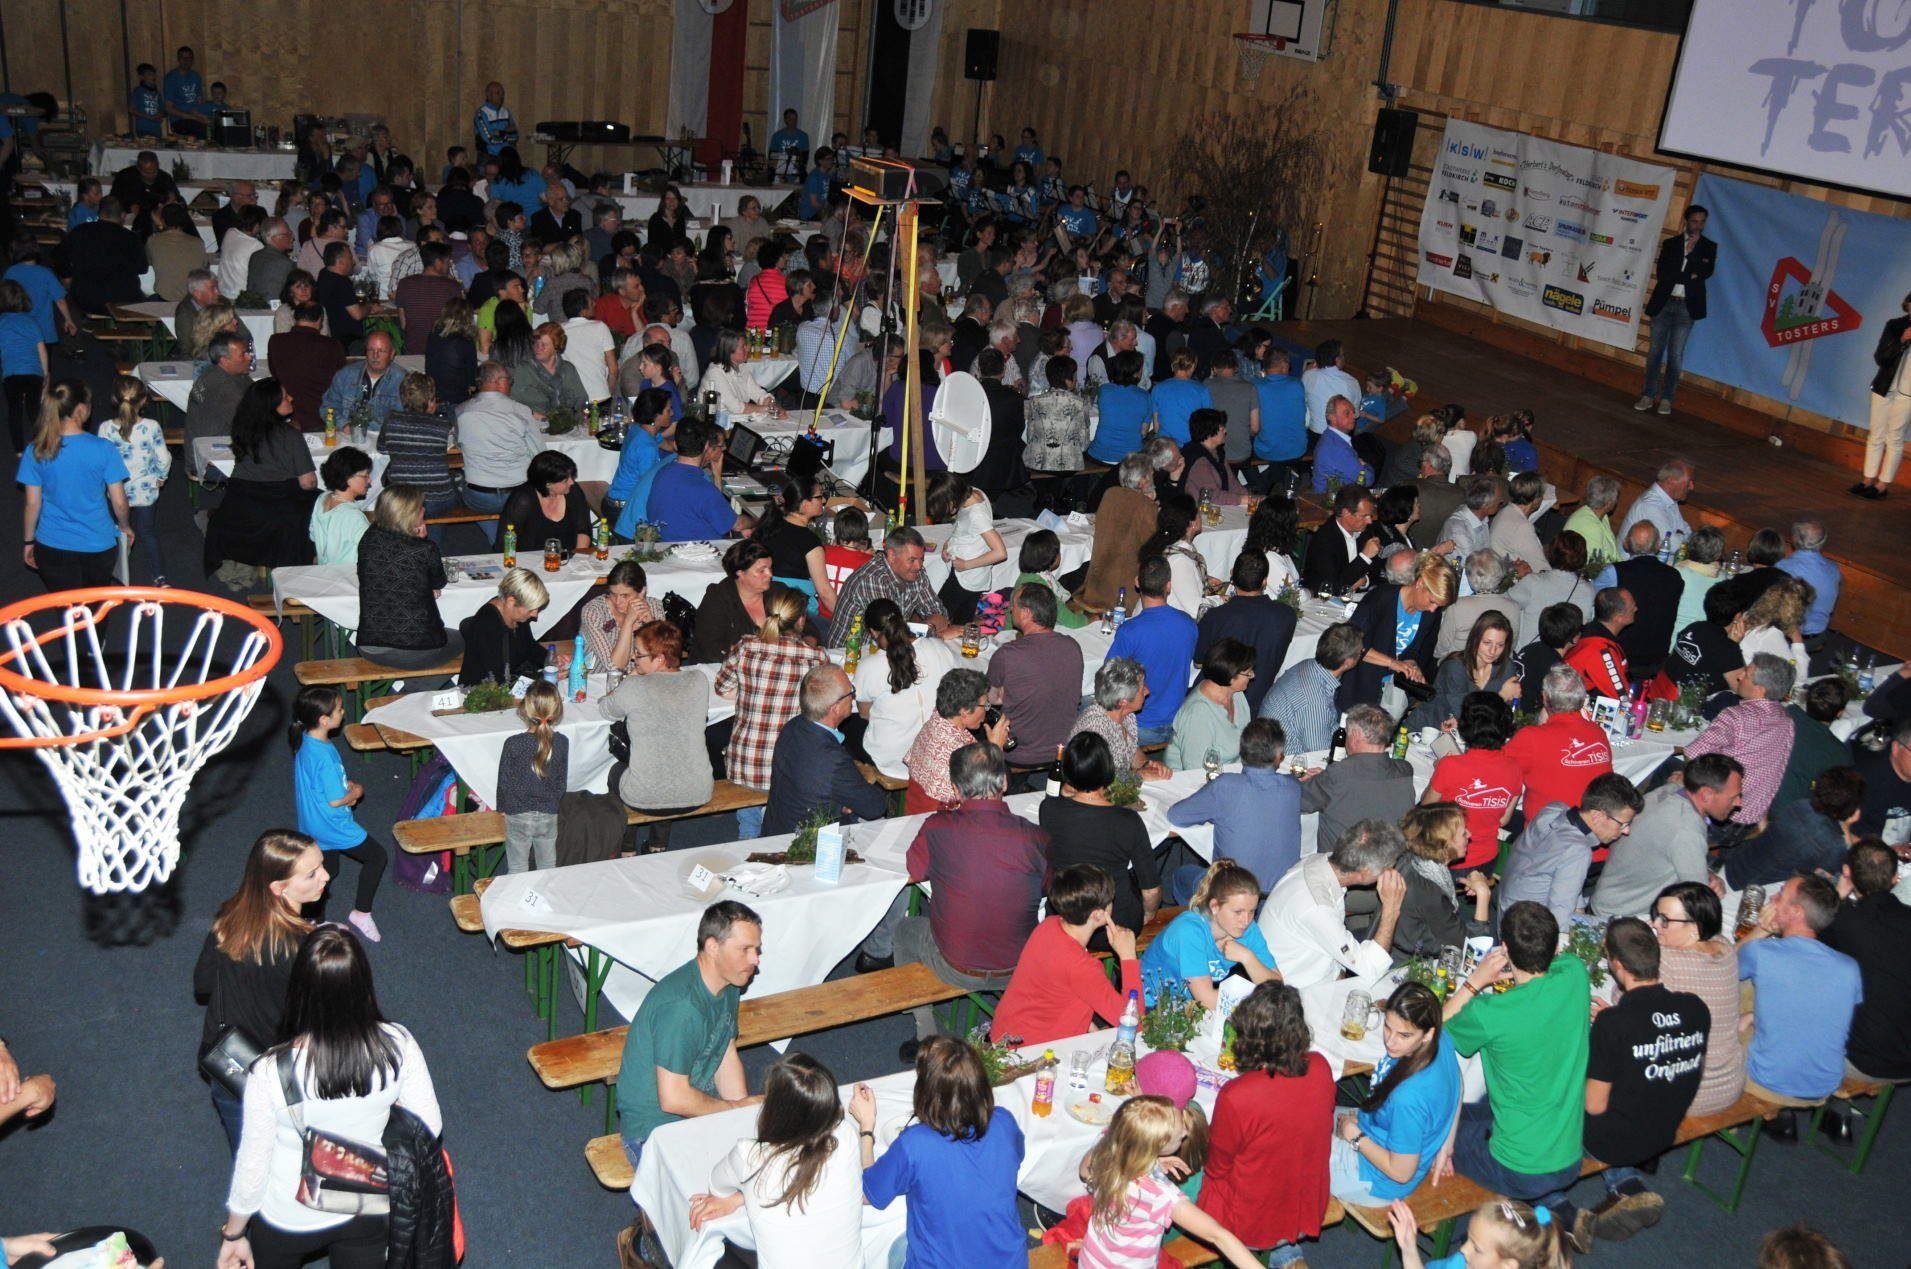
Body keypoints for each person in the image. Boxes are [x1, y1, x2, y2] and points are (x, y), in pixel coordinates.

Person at [216, 926, 439, 1269]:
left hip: (288, 1218)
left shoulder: (271, 1072)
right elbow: (429, 1126)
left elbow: (253, 1166)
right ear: (363, 984)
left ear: (299, 989)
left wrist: (233, 1234)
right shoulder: (397, 1045)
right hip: (366, 1205)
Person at [1561, 917, 1710, 1251]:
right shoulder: (1695, 1008)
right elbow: (1659, 1046)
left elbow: (1593, 1106)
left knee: (1546, 1092)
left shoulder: (1615, 1024)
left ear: (1616, 964)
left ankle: (1561, 1210)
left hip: (1608, 1141)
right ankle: (1627, 1184)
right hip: (1663, 1132)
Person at [1440, 900, 1590, 1203]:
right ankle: (1560, 1209)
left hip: (1514, 1167)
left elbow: (1434, 1030)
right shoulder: (1575, 974)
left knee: (1429, 1125)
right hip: (1570, 1155)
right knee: (1469, 1114)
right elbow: (1558, 962)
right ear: (1554, 945)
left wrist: (1476, 981)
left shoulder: (1490, 1013)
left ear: (1504, 948)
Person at [195, 831, 323, 1152]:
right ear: (279, 888)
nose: (325, 876)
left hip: (229, 1058)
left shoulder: (228, 919)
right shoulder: (306, 946)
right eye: (312, 874)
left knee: (248, 1154)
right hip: (279, 1068)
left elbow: (203, 984)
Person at [614, 901, 762, 1170]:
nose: (755, 960)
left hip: (698, 1113)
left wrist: (742, 1117)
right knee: (720, 1187)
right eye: (745, 949)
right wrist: (735, 1110)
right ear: (712, 946)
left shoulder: (728, 983)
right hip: (654, 1131)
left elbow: (725, 1055)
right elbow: (674, 1098)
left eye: (757, 949)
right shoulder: (682, 1007)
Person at [1194, 981, 1334, 1266]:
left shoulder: (1237, 1095)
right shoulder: (1320, 1067)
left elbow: (1216, 1167)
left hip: (1251, 1220)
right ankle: (1287, 1254)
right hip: (1303, 1205)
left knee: (1184, 1166)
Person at [855, 1035, 1027, 1266]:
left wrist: (866, 1128)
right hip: (1010, 1262)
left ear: (925, 1092)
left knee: (891, 1244)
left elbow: (869, 1195)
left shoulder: (915, 1144)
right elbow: (1017, 1156)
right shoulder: (1004, 1122)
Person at [685, 1054, 866, 1269]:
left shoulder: (750, 1156)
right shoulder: (846, 1136)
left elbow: (717, 1186)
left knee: (713, 1249)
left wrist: (738, 1196)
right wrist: (743, 1196)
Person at [1076, 1095, 1266, 1269]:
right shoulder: (1161, 1196)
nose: (1185, 1132)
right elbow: (1217, 1235)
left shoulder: (1108, 1155)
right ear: (1158, 1146)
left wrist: (1152, 1162)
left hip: (1091, 1261)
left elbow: (1084, 1172)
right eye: (1179, 1133)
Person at [1738, 873, 1864, 1131]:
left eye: (1780, 895)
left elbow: (1718, 971)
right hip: (1822, 1087)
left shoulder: (1763, 953)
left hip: (1765, 1081)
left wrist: (1762, 930)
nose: (1772, 899)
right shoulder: (1849, 967)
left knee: (1738, 986)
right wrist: (1756, 1016)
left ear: (1796, 912)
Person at [1330, 982, 1462, 1208]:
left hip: (1372, 1178)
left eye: (1404, 1035)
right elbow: (1459, 1082)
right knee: (1307, 1117)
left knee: (1285, 1148)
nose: (1390, 1041)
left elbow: (1401, 1172)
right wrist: (1446, 1145)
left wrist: (1355, 1135)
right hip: (1377, 1128)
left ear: (1428, 1033)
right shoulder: (1442, 1040)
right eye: (1388, 1027)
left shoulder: (1407, 1097)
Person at [990, 863, 1143, 1047]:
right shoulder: (1082, 967)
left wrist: (1091, 1029)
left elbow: (1059, 992)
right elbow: (1135, 1024)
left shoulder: (1049, 925)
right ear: (1097, 915)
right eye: (1110, 901)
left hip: (1005, 1034)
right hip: (1030, 1053)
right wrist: (1128, 958)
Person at [1258, 819, 1406, 990]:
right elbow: (1371, 968)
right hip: (1293, 992)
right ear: (1365, 873)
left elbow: (1333, 948)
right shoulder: (1317, 907)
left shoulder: (1320, 861)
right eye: (1387, 868)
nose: (1391, 872)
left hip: (1319, 971)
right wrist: (1391, 910)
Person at [287, 685, 385, 942]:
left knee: (327, 868)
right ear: (324, 719)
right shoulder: (325, 756)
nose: (343, 712)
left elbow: (320, 785)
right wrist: (356, 792)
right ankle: (361, 913)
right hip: (333, 824)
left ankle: (313, 920)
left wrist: (342, 786)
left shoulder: (305, 740)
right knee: (377, 857)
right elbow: (335, 801)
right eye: (339, 709)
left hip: (312, 822)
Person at [603, 621, 715, 843]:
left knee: (616, 771)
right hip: (697, 791)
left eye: (638, 653)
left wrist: (632, 677)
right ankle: (658, 843)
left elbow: (607, 710)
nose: (633, 657)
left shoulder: (634, 687)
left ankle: (626, 844)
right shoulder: (699, 680)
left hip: (643, 797)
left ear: (659, 659)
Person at [1591, 753, 1741, 917]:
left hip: (1607, 898)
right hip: (1624, 916)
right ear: (1706, 794)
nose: (1739, 803)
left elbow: (1669, 850)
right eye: (1733, 797)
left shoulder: (1669, 791)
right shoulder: (1687, 829)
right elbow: (1698, 899)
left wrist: (1706, 872)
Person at [1646, 881, 1748, 1121]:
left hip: (1687, 1091)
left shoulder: (1667, 961)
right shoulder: (1725, 947)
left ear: (1695, 928)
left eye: (1665, 920)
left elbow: (1624, 1000)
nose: (1655, 924)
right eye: (1657, 916)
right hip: (1729, 1083)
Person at [18, 379, 133, 592]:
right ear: (81, 409)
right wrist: (124, 526)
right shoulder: (104, 448)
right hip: (98, 543)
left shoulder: (36, 450)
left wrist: (28, 542)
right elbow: (119, 501)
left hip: (52, 544)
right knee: (94, 605)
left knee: (65, 604)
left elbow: (32, 504)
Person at [1043, 732, 1161, 933]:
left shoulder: (1048, 809)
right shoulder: (1127, 821)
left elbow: (1062, 795)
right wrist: (1148, 914)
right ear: (1108, 771)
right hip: (1115, 923)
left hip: (1064, 916)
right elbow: (1151, 891)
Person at [204, 378, 318, 584]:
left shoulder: (241, 430)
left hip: (243, 507)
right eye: (285, 397)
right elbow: (307, 483)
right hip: (281, 512)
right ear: (272, 405)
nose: (291, 398)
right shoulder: (290, 436)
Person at [1822, 838, 1911, 1097]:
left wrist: (1838, 895)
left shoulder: (1846, 921)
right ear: (1895, 878)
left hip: (1866, 1060)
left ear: (1847, 872)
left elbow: (1808, 952)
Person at [1497, 773, 1641, 930]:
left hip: (1505, 912)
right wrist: (1614, 924)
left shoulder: (1554, 810)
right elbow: (1560, 921)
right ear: (1597, 816)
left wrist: (1579, 906)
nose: (1626, 831)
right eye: (1622, 824)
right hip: (1527, 931)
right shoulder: (1577, 851)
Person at [762, 665, 887, 835]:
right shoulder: (831, 759)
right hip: (803, 842)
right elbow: (875, 807)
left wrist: (839, 802)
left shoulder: (793, 726)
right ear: (836, 707)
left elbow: (807, 786)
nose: (853, 697)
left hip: (776, 827)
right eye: (851, 692)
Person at [1683, 651, 1797, 833]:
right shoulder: (1786, 721)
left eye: (1746, 674)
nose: (1739, 677)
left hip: (1718, 818)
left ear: (1760, 689)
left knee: (1665, 769)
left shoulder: (1736, 716)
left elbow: (1692, 754)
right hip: (1750, 820)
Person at [353, 484, 462, 671]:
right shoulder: (423, 549)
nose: (424, 510)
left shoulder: (368, 538)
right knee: (464, 638)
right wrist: (421, 540)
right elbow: (439, 581)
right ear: (409, 514)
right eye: (420, 507)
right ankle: (418, 686)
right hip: (416, 648)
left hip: (369, 645)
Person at [1297, 705, 1418, 857]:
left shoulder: (1338, 774)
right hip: (1387, 862)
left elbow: (1297, 801)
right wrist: (1326, 778)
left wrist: (1319, 779)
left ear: (1354, 735)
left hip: (1343, 865)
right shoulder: (1405, 770)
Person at [986, 581, 1084, 768]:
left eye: (1014, 605)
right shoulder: (1073, 647)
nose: (1010, 609)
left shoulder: (1007, 654)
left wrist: (1008, 694)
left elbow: (991, 698)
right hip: (1063, 750)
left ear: (1026, 613)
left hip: (1016, 753)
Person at [1424, 692, 1523, 872]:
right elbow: (1503, 820)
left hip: (1450, 857)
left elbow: (1426, 807)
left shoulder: (1450, 765)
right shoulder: (1515, 768)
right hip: (1487, 860)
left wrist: (1438, 770)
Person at [1344, 552, 1456, 710]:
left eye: (1439, 606)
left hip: (1391, 690)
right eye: (1432, 602)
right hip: (1360, 685)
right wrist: (1393, 663)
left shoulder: (1428, 615)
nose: (1433, 609)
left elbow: (1412, 651)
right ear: (1420, 583)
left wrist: (1412, 667)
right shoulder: (1382, 597)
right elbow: (1351, 643)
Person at [1108, 555, 1199, 746]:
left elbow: (1109, 676)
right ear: (1168, 586)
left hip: (1139, 725)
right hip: (1177, 721)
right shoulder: (1188, 625)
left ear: (1137, 582)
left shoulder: (1130, 631)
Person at [1503, 665, 1614, 820]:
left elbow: (1490, 767)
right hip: (1595, 828)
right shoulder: (1598, 732)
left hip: (1549, 831)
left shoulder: (1531, 737)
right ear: (1582, 699)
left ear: (1544, 697)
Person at [1636, 204, 1715, 415]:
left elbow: (1705, 273)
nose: (1698, 225)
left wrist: (1691, 256)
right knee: (1655, 351)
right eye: (1694, 221)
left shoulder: (1709, 247)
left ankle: (1667, 399)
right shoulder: (1670, 244)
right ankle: (1648, 395)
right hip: (1664, 302)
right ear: (1686, 221)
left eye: (1702, 222)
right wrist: (1690, 274)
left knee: (1675, 354)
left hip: (1687, 306)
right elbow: (1664, 274)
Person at [1196, 552, 1295, 715]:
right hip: (1259, 705)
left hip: (1215, 704)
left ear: (1232, 576)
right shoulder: (1287, 616)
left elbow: (1199, 659)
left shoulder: (1217, 617)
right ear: (1264, 581)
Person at [826, 525, 952, 645]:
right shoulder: (873, 580)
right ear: (892, 556)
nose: (919, 566)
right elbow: (890, 637)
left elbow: (940, 615)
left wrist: (928, 628)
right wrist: (934, 633)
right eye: (912, 560)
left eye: (921, 559)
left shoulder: (915, 572)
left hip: (885, 649)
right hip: (849, 653)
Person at [1254, 622, 1361, 756]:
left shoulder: (1310, 665)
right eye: (1360, 652)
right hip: (1288, 760)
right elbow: (1319, 752)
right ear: (1348, 662)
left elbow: (1327, 722)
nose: (1362, 653)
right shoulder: (1315, 700)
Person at [454, 361, 542, 521]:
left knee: (455, 482)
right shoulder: (521, 411)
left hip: (480, 497)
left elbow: (458, 443)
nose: (510, 384)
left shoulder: (461, 411)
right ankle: (506, 532)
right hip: (518, 494)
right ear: (497, 381)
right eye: (509, 380)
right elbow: (539, 452)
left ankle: (499, 534)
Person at [647, 416, 754, 543]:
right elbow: (737, 525)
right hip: (699, 550)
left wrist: (716, 475)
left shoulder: (663, 473)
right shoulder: (704, 490)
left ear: (675, 445)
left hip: (665, 545)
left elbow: (716, 511)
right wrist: (755, 520)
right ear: (706, 446)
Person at [1383, 1197, 1565, 1269]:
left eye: (1477, 1248)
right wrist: (1409, 1249)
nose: (1463, 1249)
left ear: (1507, 1266)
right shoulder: (1461, 1263)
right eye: (1468, 1239)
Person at [1415, 611, 1520, 731]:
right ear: (1475, 639)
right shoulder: (1455, 667)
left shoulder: (1506, 667)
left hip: (1473, 734)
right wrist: (1500, 696)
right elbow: (1469, 716)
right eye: (1487, 643)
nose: (1492, 651)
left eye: (1500, 645)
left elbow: (1510, 714)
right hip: (1425, 730)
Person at [1852, 287, 1911, 500]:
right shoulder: (1895, 326)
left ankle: (1882, 484)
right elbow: (1881, 357)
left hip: (1908, 394)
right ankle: (1867, 479)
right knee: (1875, 434)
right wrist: (1902, 340)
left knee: (1895, 437)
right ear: (1907, 306)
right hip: (1884, 386)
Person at [1165, 637, 1256, 771]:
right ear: (1231, 677)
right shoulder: (1198, 714)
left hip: (1233, 773)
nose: (1253, 676)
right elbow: (1196, 771)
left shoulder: (1237, 695)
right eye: (1248, 674)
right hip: (1203, 779)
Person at [457, 566, 552, 686]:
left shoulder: (515, 614)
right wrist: (543, 676)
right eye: (531, 609)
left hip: (510, 681)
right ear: (511, 601)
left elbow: (528, 646)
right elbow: (498, 679)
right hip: (484, 691)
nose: (535, 615)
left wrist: (550, 660)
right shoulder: (486, 626)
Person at [1612, 522, 1684, 680]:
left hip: (1617, 658)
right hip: (1656, 661)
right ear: (1658, 546)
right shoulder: (1674, 577)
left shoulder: (1614, 572)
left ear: (1625, 544)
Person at [500, 448, 592, 560]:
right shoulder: (522, 500)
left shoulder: (573, 491)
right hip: (530, 560)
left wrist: (578, 558)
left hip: (568, 558)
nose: (572, 482)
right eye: (565, 480)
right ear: (548, 484)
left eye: (571, 477)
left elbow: (583, 530)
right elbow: (505, 542)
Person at [1430, 549, 1521, 662]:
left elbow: (1441, 648)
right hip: (1495, 665)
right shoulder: (1514, 607)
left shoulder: (1457, 606)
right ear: (1500, 575)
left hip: (1459, 664)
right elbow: (1510, 646)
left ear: (1470, 577)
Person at [578, 558, 656, 675]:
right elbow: (615, 667)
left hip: (643, 678)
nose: (618, 602)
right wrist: (628, 622)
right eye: (613, 594)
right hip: (599, 679)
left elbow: (662, 658)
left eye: (625, 596)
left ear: (642, 592)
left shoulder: (654, 606)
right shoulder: (593, 612)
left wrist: (650, 624)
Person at [1561, 586, 1633, 699]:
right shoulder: (1600, 650)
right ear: (1618, 617)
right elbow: (1623, 698)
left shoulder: (1588, 632)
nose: (1636, 609)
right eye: (1632, 607)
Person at [1850, 715, 1911, 845]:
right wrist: (1883, 852)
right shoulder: (1864, 780)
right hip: (1865, 850)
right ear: (1896, 748)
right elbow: (1840, 830)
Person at [1311, 394, 1374, 492]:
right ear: (1332, 417)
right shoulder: (1338, 449)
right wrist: (1365, 465)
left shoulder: (1329, 436)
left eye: (1353, 412)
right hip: (1332, 498)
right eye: (1347, 413)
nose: (1354, 416)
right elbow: (1367, 479)